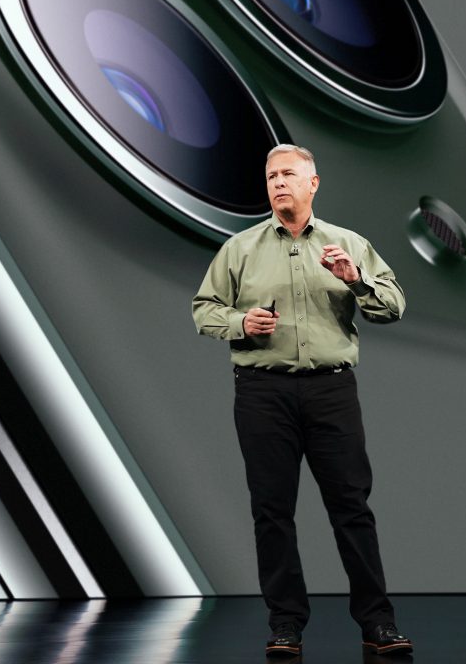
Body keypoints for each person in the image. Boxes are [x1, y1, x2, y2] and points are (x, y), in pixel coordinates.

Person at [192, 144, 413, 657]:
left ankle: (377, 622)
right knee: (272, 510)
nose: (278, 183)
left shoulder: (347, 244)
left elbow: (394, 306)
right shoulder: (240, 249)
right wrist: (240, 323)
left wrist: (355, 281)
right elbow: (204, 310)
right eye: (271, 176)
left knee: (352, 508)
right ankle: (286, 624)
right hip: (262, 392)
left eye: (289, 174)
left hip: (331, 390)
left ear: (314, 183)